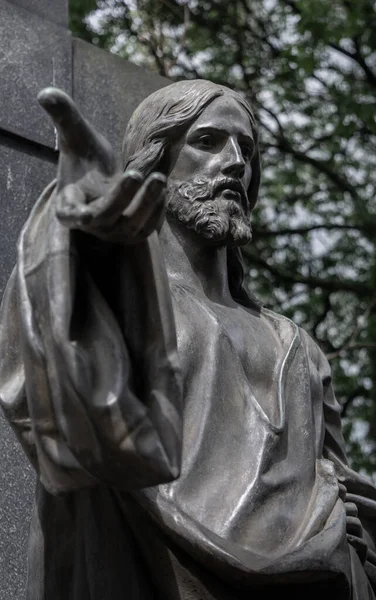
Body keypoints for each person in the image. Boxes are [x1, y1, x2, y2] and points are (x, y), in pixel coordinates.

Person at [0, 79, 375, 599]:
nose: (236, 161)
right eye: (208, 141)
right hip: (148, 571)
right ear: (155, 161)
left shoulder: (297, 346)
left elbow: (346, 486)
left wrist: (355, 534)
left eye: (245, 148)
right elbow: (50, 378)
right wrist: (80, 240)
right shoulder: (123, 306)